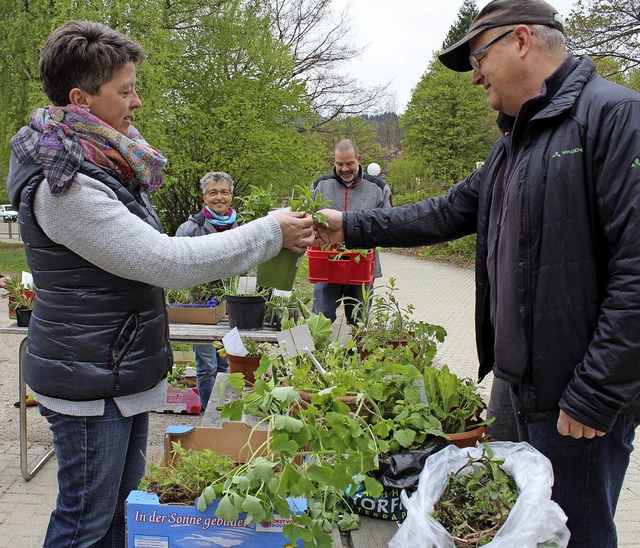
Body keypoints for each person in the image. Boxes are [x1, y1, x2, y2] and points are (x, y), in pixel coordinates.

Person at [314, 1, 640, 545]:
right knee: (513, 528)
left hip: (576, 395)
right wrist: (349, 226)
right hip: (515, 387)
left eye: (477, 57)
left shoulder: (614, 117)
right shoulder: (511, 145)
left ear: (520, 40)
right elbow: (442, 212)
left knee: (575, 532)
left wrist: (598, 391)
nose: (474, 77)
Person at [6, 21, 314, 547]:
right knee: (83, 526)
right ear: (81, 98)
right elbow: (168, 262)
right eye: (125, 91)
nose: (138, 102)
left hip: (111, 371)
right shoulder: (67, 186)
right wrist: (267, 233)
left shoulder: (102, 159)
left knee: (115, 522)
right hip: (90, 383)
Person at [176, 171, 240, 411]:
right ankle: (208, 412)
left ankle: (222, 411)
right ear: (204, 198)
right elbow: (178, 264)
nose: (219, 197)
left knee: (226, 362)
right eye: (213, 192)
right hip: (200, 306)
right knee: (207, 365)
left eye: (224, 192)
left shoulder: (241, 227)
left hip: (232, 304)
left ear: (232, 196)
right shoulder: (190, 229)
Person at [311, 139, 392, 324]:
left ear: (359, 159)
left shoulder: (378, 189)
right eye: (340, 164)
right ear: (333, 161)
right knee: (320, 321)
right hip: (327, 264)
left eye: (350, 163)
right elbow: (307, 218)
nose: (345, 169)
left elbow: (388, 223)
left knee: (359, 322)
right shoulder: (320, 186)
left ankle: (356, 352)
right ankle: (320, 351)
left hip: (361, 264)